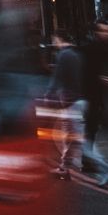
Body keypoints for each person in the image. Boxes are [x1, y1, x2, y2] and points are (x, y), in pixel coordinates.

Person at [45, 31, 83, 179]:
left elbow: (57, 77)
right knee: (70, 135)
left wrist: (48, 94)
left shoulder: (63, 55)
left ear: (59, 39)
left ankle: (104, 168)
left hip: (69, 101)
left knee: (70, 136)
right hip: (78, 99)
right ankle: (65, 166)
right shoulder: (76, 54)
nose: (53, 43)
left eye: (54, 40)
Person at [82, 18, 108, 184]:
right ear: (96, 32)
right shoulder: (89, 50)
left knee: (106, 134)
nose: (106, 34)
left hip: (107, 99)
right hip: (93, 98)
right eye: (102, 31)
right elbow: (85, 76)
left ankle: (102, 167)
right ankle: (93, 164)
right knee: (91, 132)